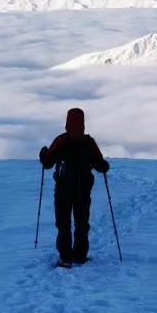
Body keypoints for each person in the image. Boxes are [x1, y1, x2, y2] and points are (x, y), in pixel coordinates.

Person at [39, 107, 110, 267]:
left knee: (64, 222)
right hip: (84, 189)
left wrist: (43, 153)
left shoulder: (61, 140)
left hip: (63, 188)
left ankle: (65, 257)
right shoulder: (88, 142)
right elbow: (100, 165)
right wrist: (105, 166)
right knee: (82, 222)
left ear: (67, 122)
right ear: (83, 123)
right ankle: (80, 256)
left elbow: (47, 163)